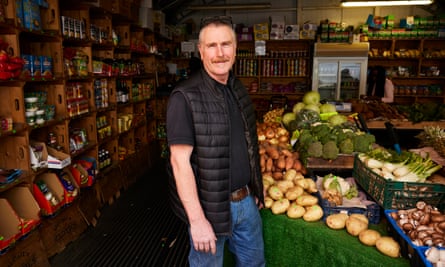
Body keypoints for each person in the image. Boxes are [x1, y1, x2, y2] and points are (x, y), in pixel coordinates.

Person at [165, 15, 265, 267]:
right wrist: (197, 221)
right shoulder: (184, 97)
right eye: (211, 46)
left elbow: (249, 143)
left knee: (255, 264)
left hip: (246, 203)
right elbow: (179, 163)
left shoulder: (237, 88)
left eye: (226, 44)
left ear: (235, 49)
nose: (220, 53)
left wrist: (255, 187)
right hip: (209, 210)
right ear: (201, 51)